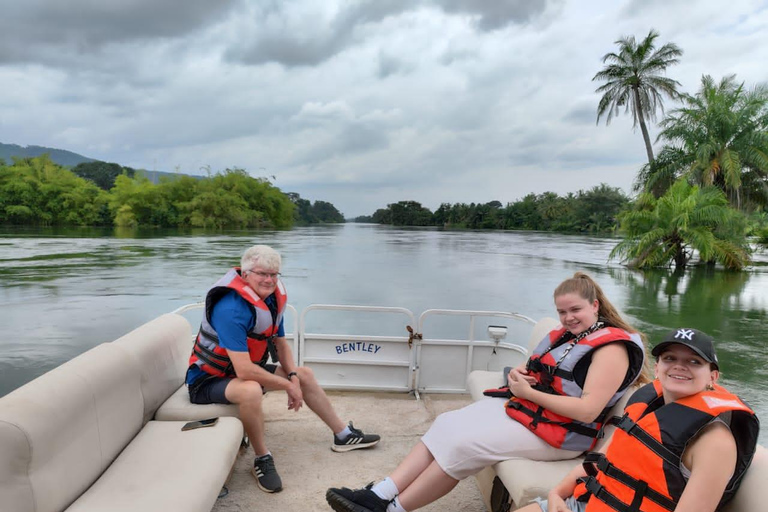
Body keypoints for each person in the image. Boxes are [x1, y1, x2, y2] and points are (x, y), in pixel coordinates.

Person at [326, 272, 649, 512]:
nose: (568, 318)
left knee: (465, 445)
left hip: (565, 436)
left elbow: (588, 411)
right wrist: (524, 376)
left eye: (575, 310)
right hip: (536, 414)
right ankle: (379, 493)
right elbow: (546, 371)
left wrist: (529, 393)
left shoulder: (612, 349)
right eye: (562, 312)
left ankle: (394, 510)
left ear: (595, 306)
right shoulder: (570, 336)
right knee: (448, 423)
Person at [186, 244, 380, 494]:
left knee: (304, 374)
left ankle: (343, 435)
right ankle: (262, 458)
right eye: (262, 273)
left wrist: (293, 377)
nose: (269, 280)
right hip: (207, 380)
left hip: (238, 372)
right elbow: (245, 370)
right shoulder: (230, 308)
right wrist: (288, 386)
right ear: (245, 275)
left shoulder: (271, 300)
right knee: (251, 390)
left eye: (274, 274)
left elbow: (280, 343)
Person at [516, 327, 759, 512]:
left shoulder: (715, 442)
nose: (679, 366)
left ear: (712, 377)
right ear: (657, 368)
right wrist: (557, 494)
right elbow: (599, 463)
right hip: (584, 502)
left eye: (694, 362)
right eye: (670, 358)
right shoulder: (646, 407)